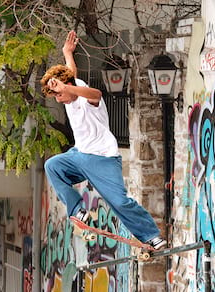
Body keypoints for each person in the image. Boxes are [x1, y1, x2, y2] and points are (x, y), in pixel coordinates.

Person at [41, 31, 167, 250]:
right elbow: (71, 73)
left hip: (103, 159)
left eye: (59, 95)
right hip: (79, 155)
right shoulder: (73, 83)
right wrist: (67, 53)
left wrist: (66, 88)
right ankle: (77, 209)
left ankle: (151, 236)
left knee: (119, 202)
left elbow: (96, 94)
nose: (59, 100)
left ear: (68, 88)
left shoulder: (87, 97)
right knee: (52, 165)